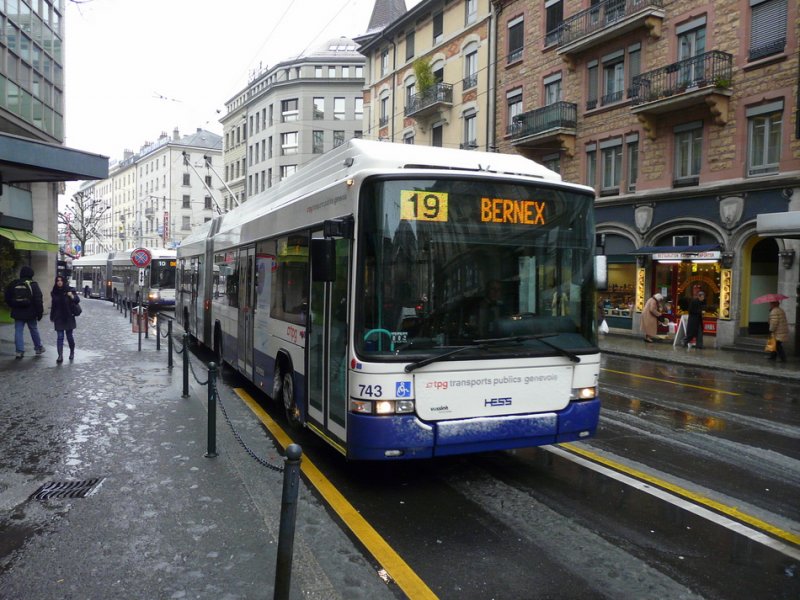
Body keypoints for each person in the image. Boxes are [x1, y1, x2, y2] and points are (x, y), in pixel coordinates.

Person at [4, 266, 45, 359]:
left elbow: (7, 297)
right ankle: (38, 348)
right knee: (33, 329)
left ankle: (19, 351)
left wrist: (13, 305)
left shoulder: (14, 283)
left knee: (18, 331)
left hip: (18, 312)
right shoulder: (33, 284)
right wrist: (40, 313)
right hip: (31, 313)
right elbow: (38, 300)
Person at [50, 274, 81, 363]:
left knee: (69, 336)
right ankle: (60, 355)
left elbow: (77, 300)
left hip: (68, 316)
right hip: (58, 317)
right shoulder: (54, 292)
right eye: (57, 281)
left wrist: (71, 295)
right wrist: (52, 316)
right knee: (60, 337)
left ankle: (72, 351)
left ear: (63, 281)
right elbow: (53, 306)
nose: (59, 282)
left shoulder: (69, 290)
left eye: (61, 280)